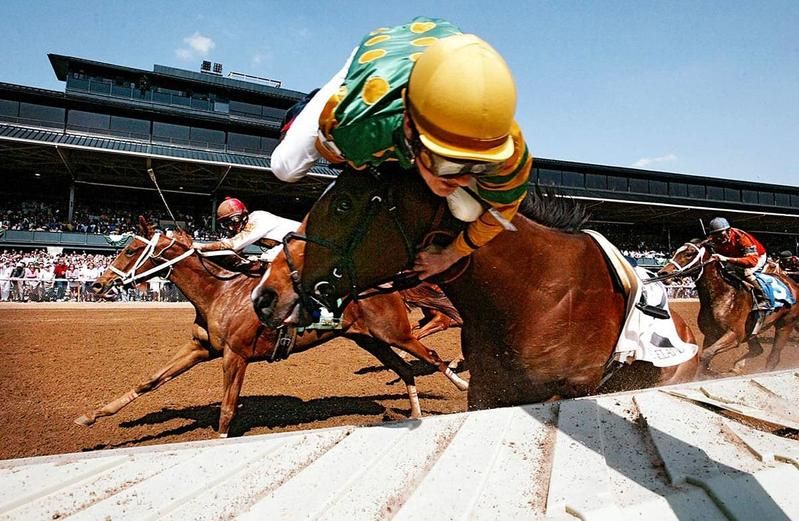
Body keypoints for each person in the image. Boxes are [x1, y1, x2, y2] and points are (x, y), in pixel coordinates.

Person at [271, 17, 532, 280]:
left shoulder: (511, 153)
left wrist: (449, 255)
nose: (462, 180)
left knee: (469, 210)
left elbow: (503, 211)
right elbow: (343, 163)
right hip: (382, 54)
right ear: (408, 126)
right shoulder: (357, 127)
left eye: (477, 164)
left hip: (445, 53)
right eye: (448, 164)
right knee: (285, 168)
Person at [192, 198, 300, 262]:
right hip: (293, 245)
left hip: (306, 241)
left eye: (233, 221)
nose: (230, 227)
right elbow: (235, 252)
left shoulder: (258, 219)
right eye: (226, 224)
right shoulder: (247, 226)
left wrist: (202, 246)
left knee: (266, 258)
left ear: (244, 216)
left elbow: (234, 245)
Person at [706, 217, 769, 308]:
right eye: (716, 236)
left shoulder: (742, 238)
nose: (719, 238)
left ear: (729, 231)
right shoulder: (714, 238)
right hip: (735, 256)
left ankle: (763, 297)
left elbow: (752, 261)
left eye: (721, 235)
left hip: (757, 257)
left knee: (747, 272)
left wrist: (726, 259)